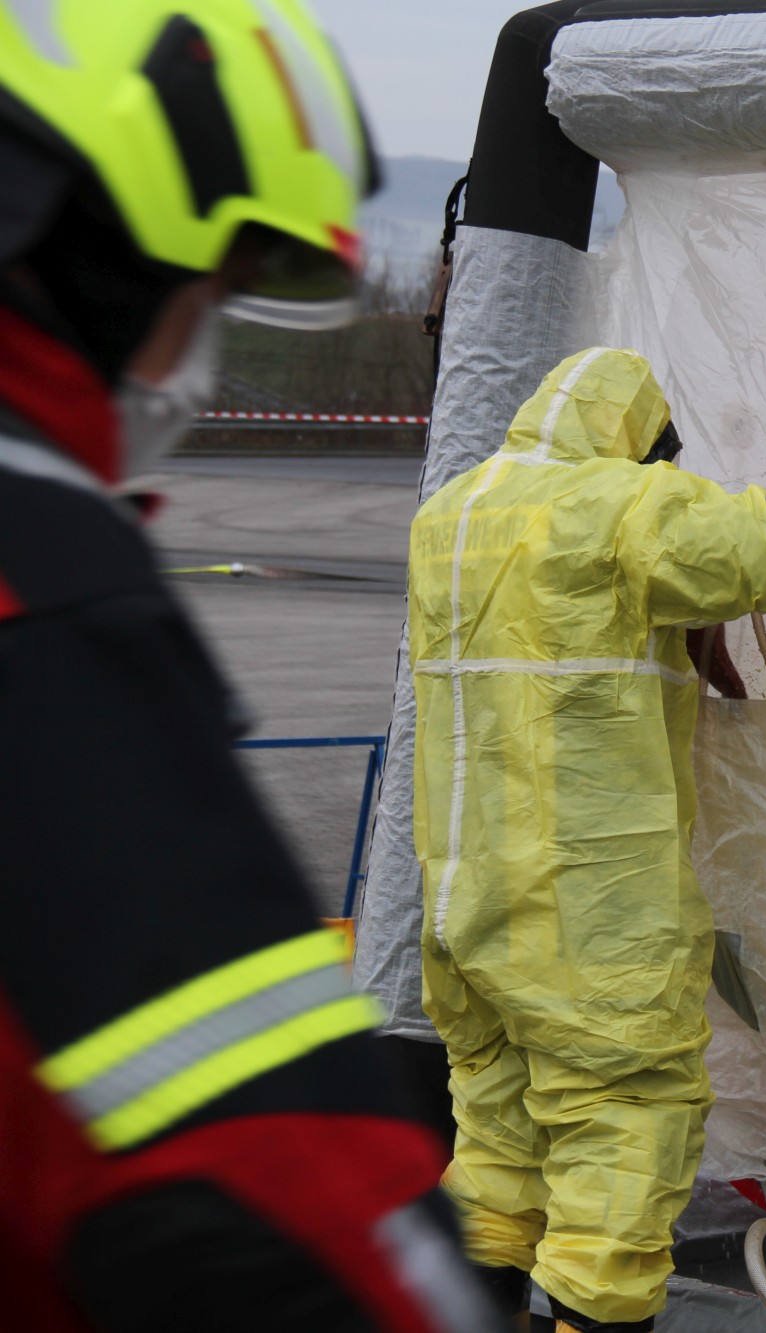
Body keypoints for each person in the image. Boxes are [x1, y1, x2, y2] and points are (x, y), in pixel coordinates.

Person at [0, 3, 495, 1330]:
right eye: (208, 293)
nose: (197, 353)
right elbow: (273, 1182)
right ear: (98, 257)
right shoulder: (45, 597)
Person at [407, 348, 766, 1332]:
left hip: (465, 898)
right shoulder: (621, 507)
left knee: (498, 1134)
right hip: (587, 906)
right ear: (637, 439)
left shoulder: (453, 511)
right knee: (627, 1120)